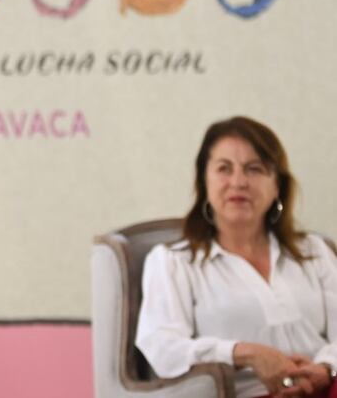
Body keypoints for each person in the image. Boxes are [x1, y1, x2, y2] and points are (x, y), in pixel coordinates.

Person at [136, 116, 337, 398]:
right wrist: (244, 353)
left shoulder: (313, 251)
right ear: (204, 181)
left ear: (276, 185)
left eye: (254, 169)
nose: (238, 182)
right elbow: (163, 348)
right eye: (224, 169)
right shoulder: (174, 262)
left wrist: (326, 368)